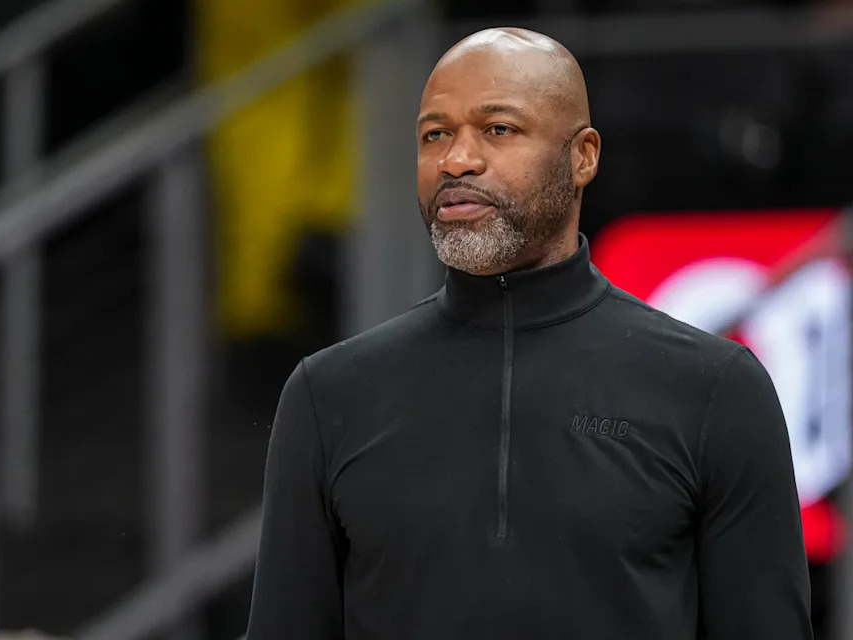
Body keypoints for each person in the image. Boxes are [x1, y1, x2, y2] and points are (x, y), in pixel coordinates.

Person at [246, 28, 813, 639]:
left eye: (498, 129)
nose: (456, 159)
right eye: (435, 134)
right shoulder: (329, 394)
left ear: (583, 157)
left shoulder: (714, 389)